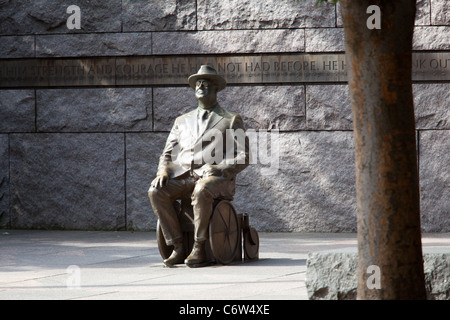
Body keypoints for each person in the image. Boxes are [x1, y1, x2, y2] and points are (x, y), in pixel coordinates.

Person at [148, 65, 250, 267]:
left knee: (202, 188)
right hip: (185, 175)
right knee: (155, 191)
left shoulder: (231, 120)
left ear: (216, 88)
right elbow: (168, 153)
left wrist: (221, 168)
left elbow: (244, 155)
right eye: (198, 82)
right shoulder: (181, 121)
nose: (201, 85)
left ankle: (199, 247)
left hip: (216, 178)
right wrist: (163, 171)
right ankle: (177, 246)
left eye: (206, 82)